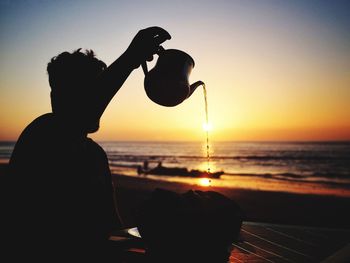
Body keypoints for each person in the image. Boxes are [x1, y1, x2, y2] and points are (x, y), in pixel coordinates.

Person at [5, 27, 171, 256]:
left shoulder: (95, 155)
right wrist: (131, 58)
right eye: (86, 90)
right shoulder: (42, 134)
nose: (101, 102)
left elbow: (112, 226)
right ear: (57, 96)